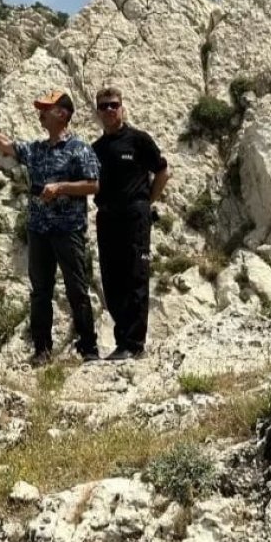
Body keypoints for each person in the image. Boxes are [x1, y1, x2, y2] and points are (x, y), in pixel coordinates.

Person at [0, 91, 102, 366]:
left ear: (62, 113)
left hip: (68, 230)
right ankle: (42, 351)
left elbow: (93, 185)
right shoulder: (36, 149)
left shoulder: (79, 149)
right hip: (38, 230)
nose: (41, 113)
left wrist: (61, 188)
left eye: (46, 109)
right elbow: (5, 145)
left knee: (76, 288)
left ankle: (89, 348)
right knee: (40, 291)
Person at [90, 87, 170, 361]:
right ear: (98, 113)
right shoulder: (96, 149)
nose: (109, 110)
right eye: (104, 106)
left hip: (135, 216)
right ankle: (121, 341)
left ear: (122, 108)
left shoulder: (138, 140)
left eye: (114, 105)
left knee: (135, 276)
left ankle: (134, 344)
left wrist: (146, 203)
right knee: (112, 280)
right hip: (107, 217)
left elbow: (162, 171)